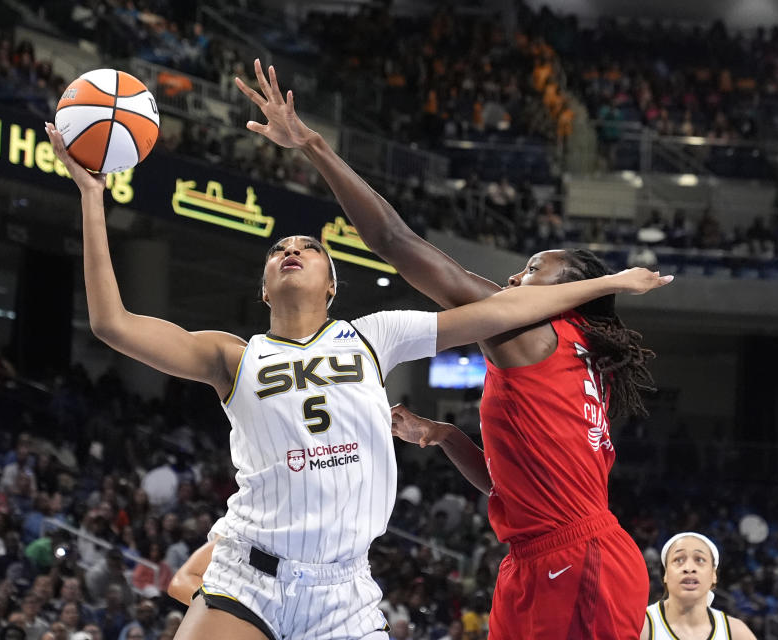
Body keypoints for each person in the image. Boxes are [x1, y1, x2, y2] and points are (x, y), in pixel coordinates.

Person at [44, 107, 669, 640]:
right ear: (262, 288)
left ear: (335, 283)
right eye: (278, 251)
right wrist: (92, 198)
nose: (292, 250)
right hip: (253, 570)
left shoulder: (381, 334)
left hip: (353, 585)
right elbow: (113, 325)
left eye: (310, 247)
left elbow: (399, 243)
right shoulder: (233, 355)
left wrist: (608, 281)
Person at [236, 59, 668, 640]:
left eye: (535, 271)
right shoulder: (573, 352)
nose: (515, 280)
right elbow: (511, 485)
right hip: (541, 554)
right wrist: (442, 437)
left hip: (577, 557)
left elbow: (394, 240)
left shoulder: (528, 334)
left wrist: (314, 145)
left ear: (567, 294)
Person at [641, 533, 756, 640]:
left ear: (713, 575)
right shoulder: (641, 626)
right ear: (665, 575)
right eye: (679, 559)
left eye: (700, 560)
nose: (689, 567)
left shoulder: (736, 633)